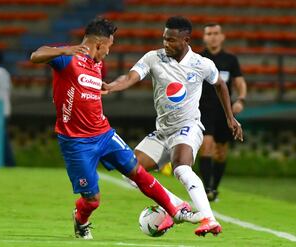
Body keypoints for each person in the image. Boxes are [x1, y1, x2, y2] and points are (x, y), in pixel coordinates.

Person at [30, 18, 193, 240]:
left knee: (137, 171)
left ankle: (175, 211)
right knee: (92, 200)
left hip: (104, 134)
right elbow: (35, 55)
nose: (109, 51)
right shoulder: (68, 58)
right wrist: (65, 50)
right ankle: (80, 220)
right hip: (76, 141)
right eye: (110, 46)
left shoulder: (97, 63)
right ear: (100, 43)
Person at [103, 16, 243, 237]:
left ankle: (209, 218)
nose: (165, 44)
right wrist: (111, 86)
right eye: (164, 39)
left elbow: (220, 85)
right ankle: (176, 206)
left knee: (181, 168)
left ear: (186, 40)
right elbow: (131, 77)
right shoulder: (153, 58)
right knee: (130, 173)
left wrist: (230, 118)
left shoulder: (201, 64)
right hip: (162, 131)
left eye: (171, 40)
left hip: (188, 127)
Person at [198, 23, 247, 202]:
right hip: (203, 110)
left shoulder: (230, 59)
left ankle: (215, 188)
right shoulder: (199, 58)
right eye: (209, 33)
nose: (213, 36)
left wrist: (241, 99)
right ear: (204, 38)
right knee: (207, 145)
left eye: (216, 33)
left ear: (222, 37)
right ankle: (206, 188)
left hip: (224, 111)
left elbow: (240, 82)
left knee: (221, 151)